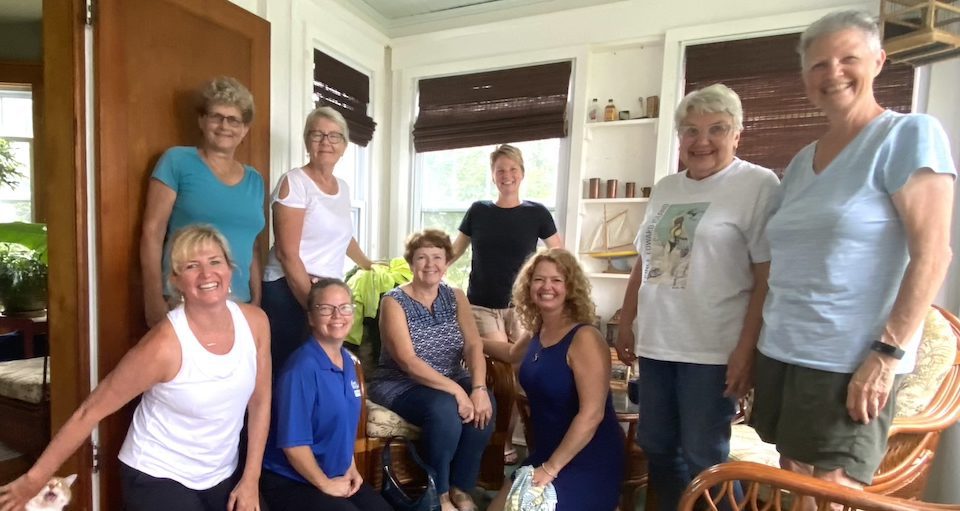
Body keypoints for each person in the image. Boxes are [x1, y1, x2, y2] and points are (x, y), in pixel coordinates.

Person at [751, 10, 956, 492]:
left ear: (879, 62)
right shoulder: (803, 161)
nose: (833, 74)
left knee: (834, 490)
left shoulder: (907, 135)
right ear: (805, 76)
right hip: (785, 349)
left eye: (848, 58)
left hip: (849, 359)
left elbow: (933, 255)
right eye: (818, 64)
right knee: (794, 484)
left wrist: (885, 355)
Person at [0, 225, 272, 511]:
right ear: (176, 280)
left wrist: (251, 478)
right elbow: (89, 411)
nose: (206, 274)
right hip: (156, 474)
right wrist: (35, 478)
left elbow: (260, 400)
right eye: (192, 266)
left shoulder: (255, 323)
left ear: (230, 268)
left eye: (215, 261)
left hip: (220, 474)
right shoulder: (163, 346)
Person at [613, 84, 779, 511]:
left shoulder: (758, 184)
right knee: (659, 448)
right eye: (690, 131)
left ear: (737, 134)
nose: (701, 141)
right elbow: (644, 260)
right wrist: (628, 316)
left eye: (716, 129)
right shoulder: (667, 187)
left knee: (706, 456)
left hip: (712, 349)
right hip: (656, 343)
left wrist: (747, 349)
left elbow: (767, 273)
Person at [487, 248, 625, 511]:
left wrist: (550, 469)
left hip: (587, 459)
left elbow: (592, 415)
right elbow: (511, 353)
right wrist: (469, 340)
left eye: (556, 280)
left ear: (570, 287)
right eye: (539, 279)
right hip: (546, 451)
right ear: (529, 286)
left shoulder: (585, 338)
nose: (546, 286)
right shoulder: (539, 329)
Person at [450, 143, 562, 464]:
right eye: (501, 170)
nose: (507, 176)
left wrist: (555, 292)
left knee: (521, 371)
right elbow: (454, 251)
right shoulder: (479, 211)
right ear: (493, 176)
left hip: (523, 308)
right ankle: (497, 443)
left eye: (513, 169)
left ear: (522, 173)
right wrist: (424, 272)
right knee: (499, 373)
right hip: (482, 305)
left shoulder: (537, 213)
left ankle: (508, 438)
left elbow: (559, 255)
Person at [368, 229, 494, 511]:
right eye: (421, 257)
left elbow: (473, 345)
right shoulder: (393, 301)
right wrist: (457, 392)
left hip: (449, 374)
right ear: (411, 263)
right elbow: (408, 361)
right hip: (400, 382)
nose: (430, 264)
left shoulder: (455, 296)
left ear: (447, 262)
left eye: (437, 257)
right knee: (445, 409)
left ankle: (462, 487)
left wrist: (478, 388)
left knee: (488, 404)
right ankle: (440, 493)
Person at [141, 76, 266, 328]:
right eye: (216, 116)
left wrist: (257, 298)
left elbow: (253, 246)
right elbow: (152, 232)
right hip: (186, 300)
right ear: (202, 120)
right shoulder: (176, 161)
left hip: (240, 302)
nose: (224, 126)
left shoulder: (255, 179)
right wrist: (153, 299)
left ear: (244, 129)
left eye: (234, 120)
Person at [260, 278, 391, 511]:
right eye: (326, 309)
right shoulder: (300, 370)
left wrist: (349, 466)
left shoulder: (348, 362)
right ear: (311, 317)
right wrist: (325, 484)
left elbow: (343, 428)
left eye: (344, 307)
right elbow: (294, 445)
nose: (337, 315)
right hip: (293, 480)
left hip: (334, 474)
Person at [261, 106, 374, 373]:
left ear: (344, 146)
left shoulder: (342, 187)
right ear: (306, 141)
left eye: (334, 136)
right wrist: (314, 306)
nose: (326, 142)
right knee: (289, 370)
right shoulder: (295, 182)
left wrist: (370, 264)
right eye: (317, 135)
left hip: (323, 290)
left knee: (318, 368)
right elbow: (288, 254)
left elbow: (343, 237)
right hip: (289, 289)